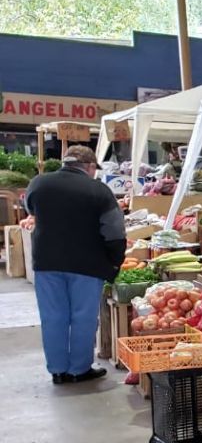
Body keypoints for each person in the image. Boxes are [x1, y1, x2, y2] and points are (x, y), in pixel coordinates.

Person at [24, 145, 124, 384]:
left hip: (46, 262)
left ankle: (58, 370)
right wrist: (115, 261)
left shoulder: (38, 184)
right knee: (83, 316)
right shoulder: (98, 191)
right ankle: (79, 370)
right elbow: (114, 231)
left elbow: (30, 209)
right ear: (89, 167)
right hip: (87, 265)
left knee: (52, 316)